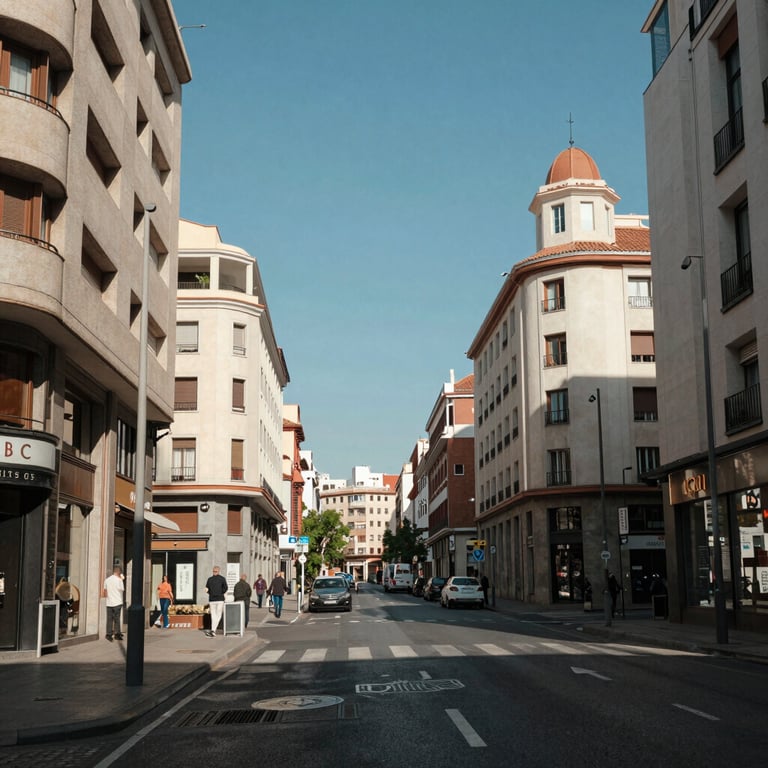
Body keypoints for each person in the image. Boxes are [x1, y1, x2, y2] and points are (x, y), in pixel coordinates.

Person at [102, 566, 124, 641]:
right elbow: (122, 589)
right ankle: (117, 634)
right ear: (119, 572)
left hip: (109, 602)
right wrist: (121, 579)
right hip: (117, 602)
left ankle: (109, 634)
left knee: (109, 619)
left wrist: (108, 597)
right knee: (117, 619)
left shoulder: (107, 580)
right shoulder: (119, 580)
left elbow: (105, 591)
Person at [205, 565, 228, 637]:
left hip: (212, 599)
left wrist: (211, 593)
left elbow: (207, 589)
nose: (214, 572)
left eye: (215, 571)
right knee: (218, 615)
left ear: (218, 571)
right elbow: (226, 588)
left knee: (214, 615)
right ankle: (213, 630)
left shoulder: (209, 579)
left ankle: (213, 629)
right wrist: (221, 592)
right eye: (214, 571)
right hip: (220, 599)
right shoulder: (222, 579)